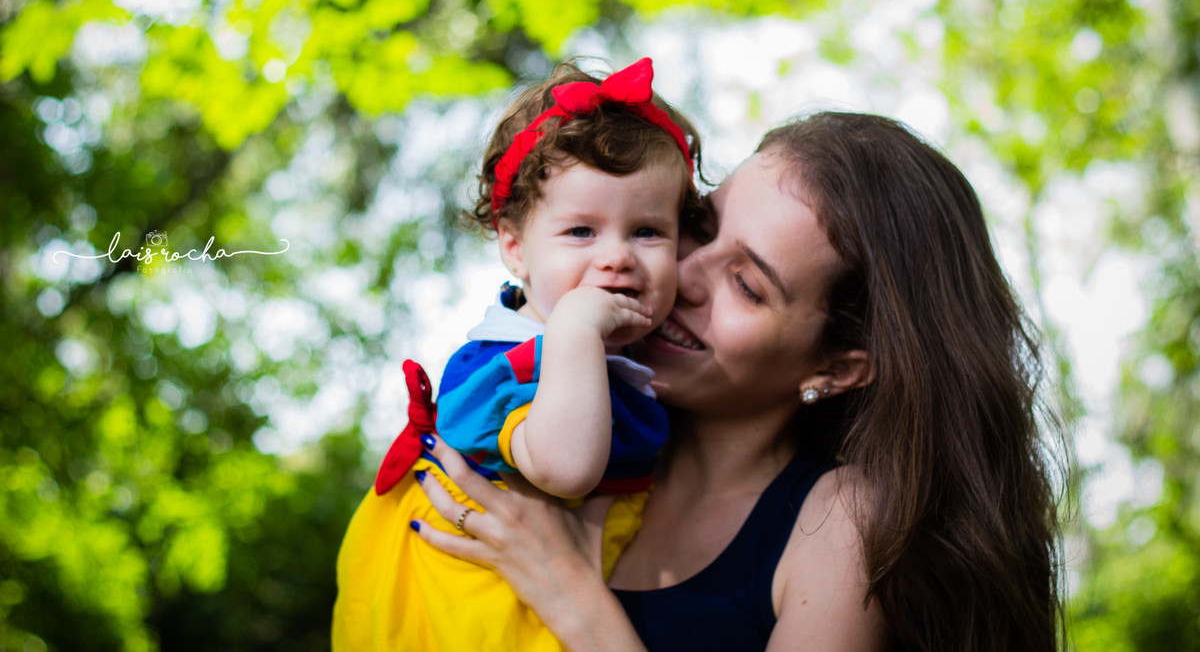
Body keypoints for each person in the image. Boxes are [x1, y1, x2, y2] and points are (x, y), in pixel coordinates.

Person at [409, 111, 1065, 651]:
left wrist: (572, 597)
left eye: (747, 285)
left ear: (835, 366)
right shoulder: (573, 417)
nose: (684, 274)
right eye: (698, 226)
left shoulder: (840, 521)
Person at [331, 58, 704, 650]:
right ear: (514, 247)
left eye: (647, 231)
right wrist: (577, 330)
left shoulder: (620, 365)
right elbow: (565, 467)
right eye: (581, 232)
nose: (617, 257)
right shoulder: (512, 364)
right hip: (467, 618)